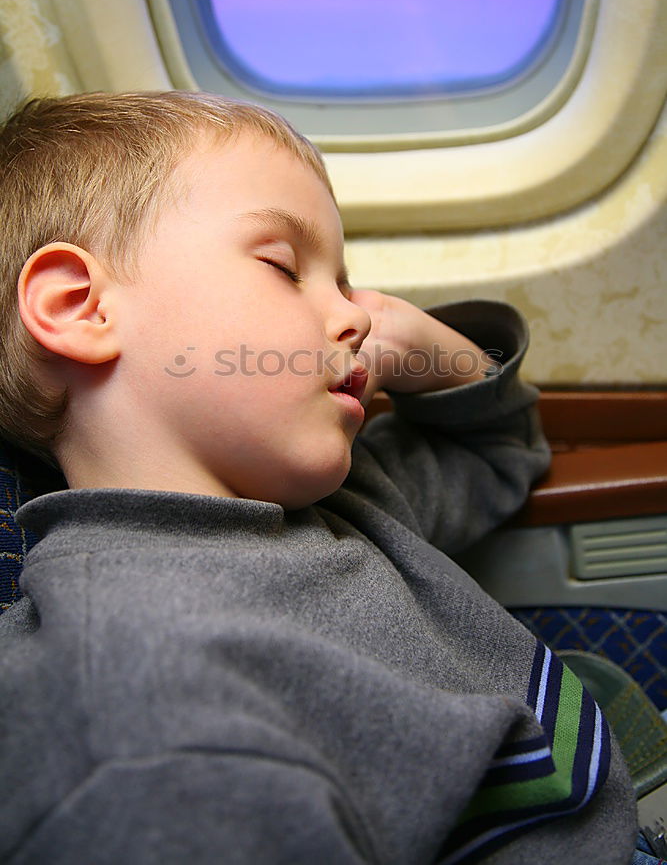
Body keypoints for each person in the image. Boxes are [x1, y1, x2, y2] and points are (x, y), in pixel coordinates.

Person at [0, 93, 638, 863]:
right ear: (80, 307)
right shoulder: (141, 721)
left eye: (344, 284)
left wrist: (409, 340)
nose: (354, 315)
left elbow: (499, 451)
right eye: (282, 266)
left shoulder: (347, 501)